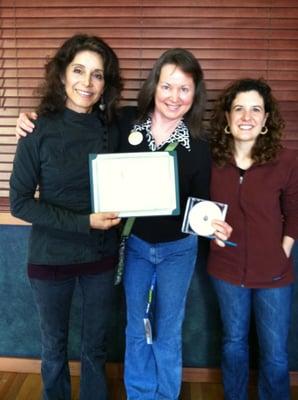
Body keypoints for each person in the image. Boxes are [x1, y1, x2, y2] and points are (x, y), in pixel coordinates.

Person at [15, 48, 232, 400]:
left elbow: (201, 203)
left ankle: (166, 394)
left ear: (195, 95)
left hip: (179, 250)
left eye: (184, 89)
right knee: (136, 328)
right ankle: (141, 394)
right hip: (134, 247)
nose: (173, 97)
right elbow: (75, 119)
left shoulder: (201, 146)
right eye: (167, 86)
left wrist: (214, 226)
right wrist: (28, 119)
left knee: (168, 329)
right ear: (154, 86)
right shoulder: (123, 122)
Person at [10, 34, 122, 400]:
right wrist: (83, 221)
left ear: (106, 84)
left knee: (95, 350)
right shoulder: (36, 129)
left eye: (97, 75)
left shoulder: (115, 127)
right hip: (50, 259)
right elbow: (20, 204)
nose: (86, 83)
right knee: (53, 350)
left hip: (101, 258)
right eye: (78, 71)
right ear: (61, 76)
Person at [207, 78, 298, 400]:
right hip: (226, 271)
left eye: (255, 110)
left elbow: (295, 211)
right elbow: (198, 211)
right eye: (239, 109)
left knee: (274, 355)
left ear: (265, 121)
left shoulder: (287, 161)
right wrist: (209, 230)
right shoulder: (211, 161)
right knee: (233, 344)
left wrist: (283, 251)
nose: (247, 116)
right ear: (228, 119)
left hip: (274, 274)